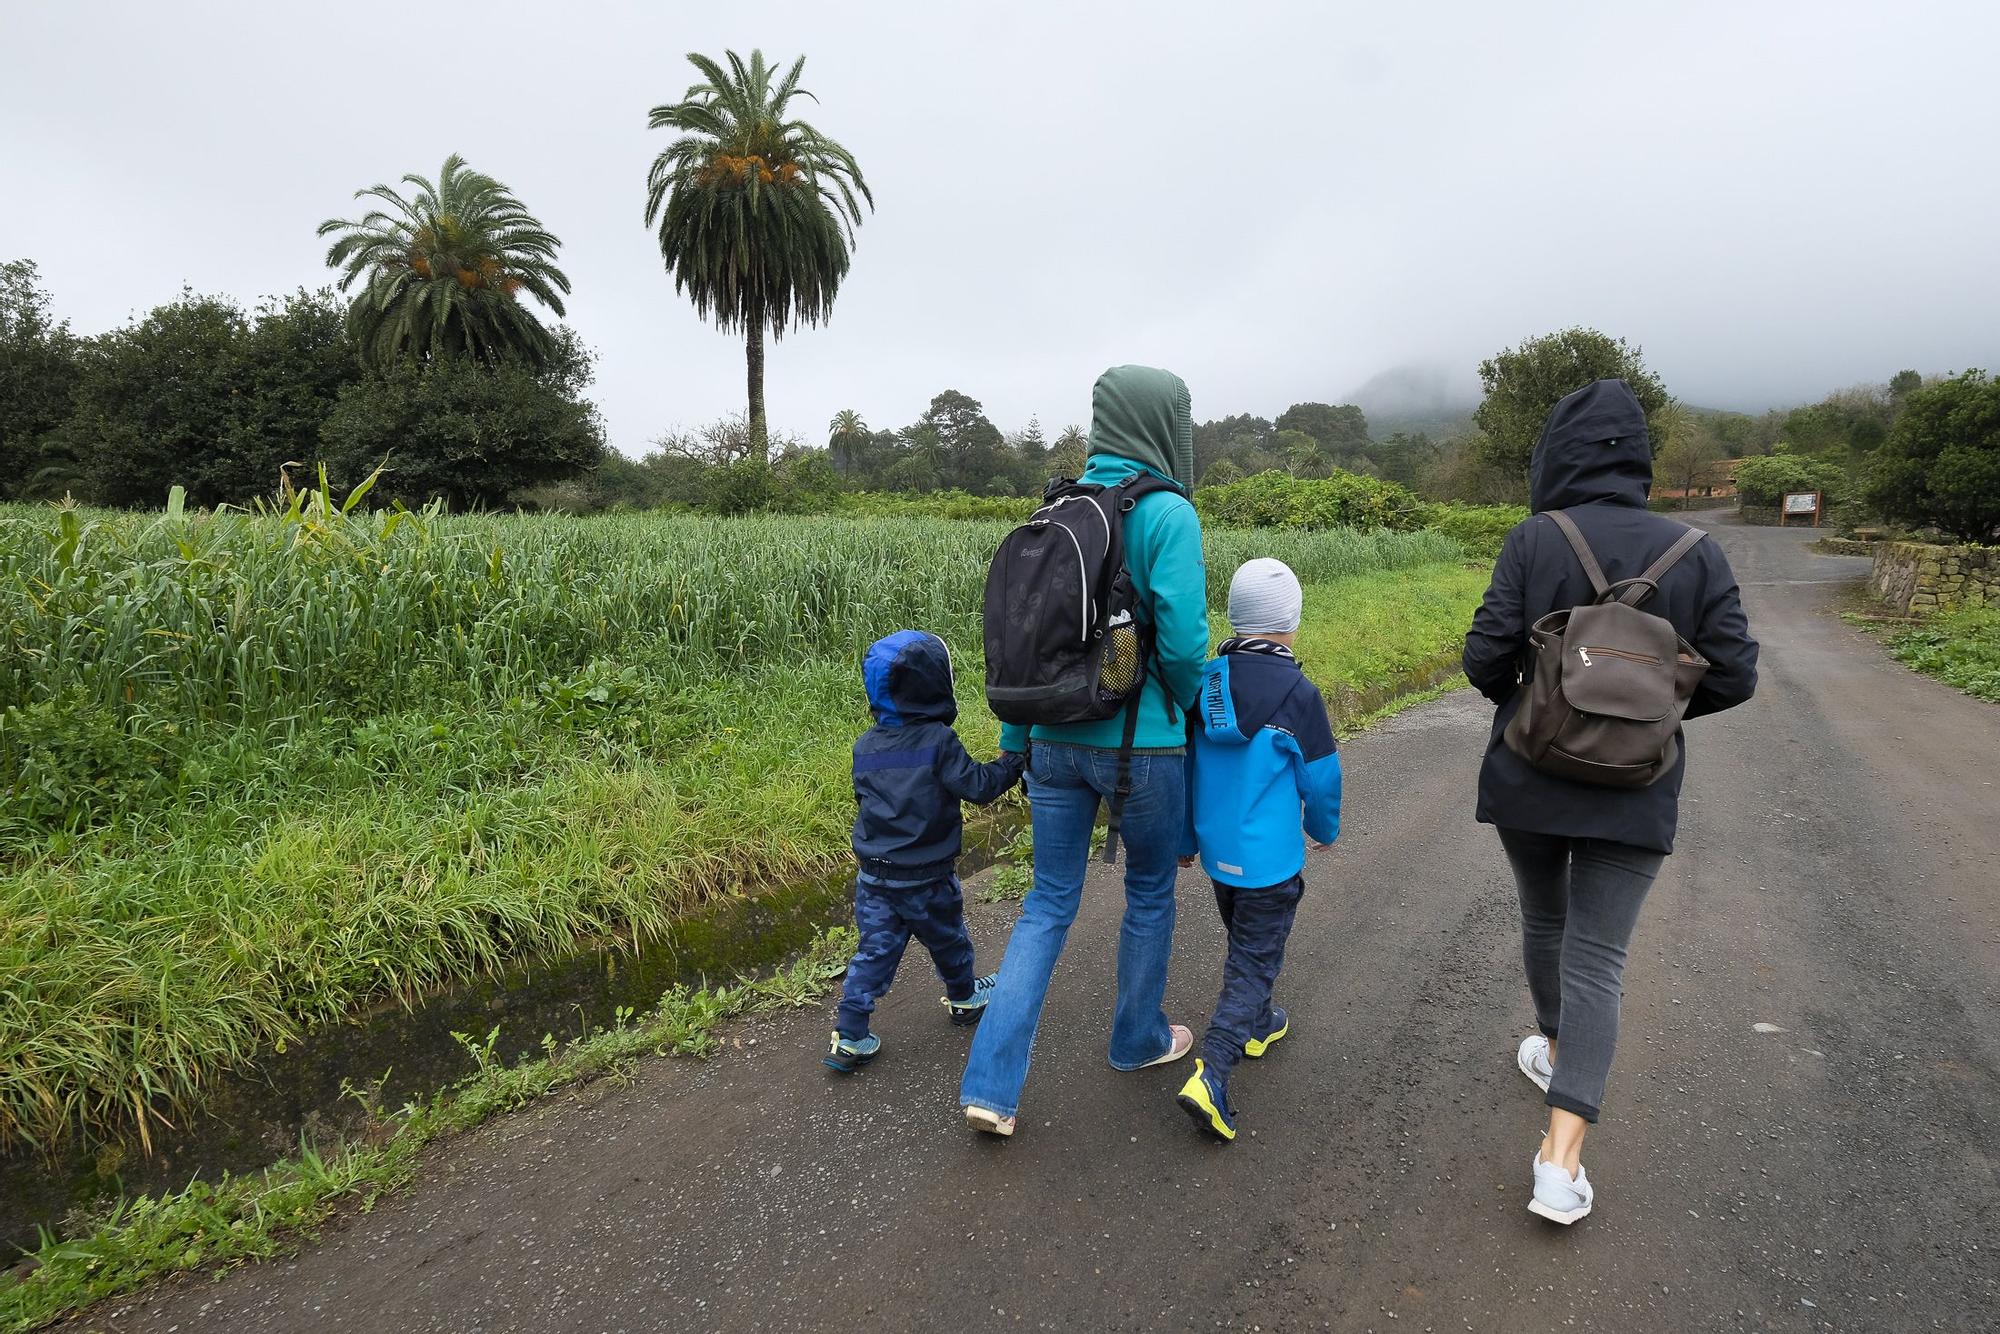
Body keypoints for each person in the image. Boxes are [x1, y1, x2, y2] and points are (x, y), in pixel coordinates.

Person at [1463, 378, 1759, 1223]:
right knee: (1598, 957)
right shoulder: (1696, 549)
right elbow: (1735, 674)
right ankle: (1560, 1165)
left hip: (1530, 776)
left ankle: (1557, 1048)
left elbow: (1485, 659)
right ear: (1639, 457)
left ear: (1556, 453)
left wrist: (1549, 702)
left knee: (1545, 922)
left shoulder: (1533, 539)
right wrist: (1650, 710)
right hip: (1637, 789)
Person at [959, 365, 1211, 1136]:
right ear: (1165, 423)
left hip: (1051, 746)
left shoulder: (1055, 508)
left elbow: (1023, 651)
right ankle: (1136, 1039)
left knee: (1046, 904)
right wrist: (1180, 701)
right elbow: (1187, 641)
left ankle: (991, 1086)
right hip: (1146, 750)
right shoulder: (1167, 512)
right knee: (1148, 894)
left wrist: (1018, 741)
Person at [1174, 559, 1342, 1142]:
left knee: (1248, 942)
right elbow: (1320, 778)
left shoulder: (1204, 683)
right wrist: (1325, 828)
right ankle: (1213, 1073)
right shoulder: (1298, 692)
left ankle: (1260, 1021)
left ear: (1235, 618)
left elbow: (1189, 765)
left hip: (1220, 856)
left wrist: (1183, 838)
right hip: (1270, 862)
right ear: (1289, 624)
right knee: (1252, 959)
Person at [826, 630, 1025, 1073]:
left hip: (875, 875)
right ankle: (964, 997)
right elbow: (978, 787)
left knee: (874, 951)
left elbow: (868, 802)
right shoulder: (937, 742)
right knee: (948, 938)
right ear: (935, 684)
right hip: (926, 876)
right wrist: (1014, 761)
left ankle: (850, 1034)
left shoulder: (865, 746)